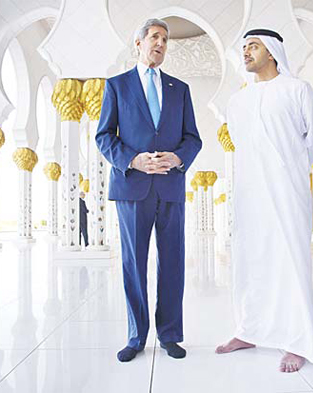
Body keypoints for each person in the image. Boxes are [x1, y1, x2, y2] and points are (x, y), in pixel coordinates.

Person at [215, 29, 313, 373]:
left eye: (254, 46)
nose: (246, 52)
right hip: (250, 193)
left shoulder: (297, 90)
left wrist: (289, 167)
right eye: (244, 47)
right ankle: (249, 330)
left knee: (290, 261)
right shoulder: (237, 101)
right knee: (250, 260)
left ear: (273, 51)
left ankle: (298, 342)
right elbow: (241, 144)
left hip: (287, 191)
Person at [96, 18, 202, 363]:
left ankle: (170, 334)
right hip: (132, 187)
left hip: (170, 186)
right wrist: (133, 160)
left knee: (172, 262)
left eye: (165, 39)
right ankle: (135, 335)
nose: (161, 43)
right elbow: (104, 137)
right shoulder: (117, 86)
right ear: (138, 43)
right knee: (133, 264)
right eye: (155, 37)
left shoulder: (179, 89)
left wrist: (178, 157)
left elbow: (193, 138)